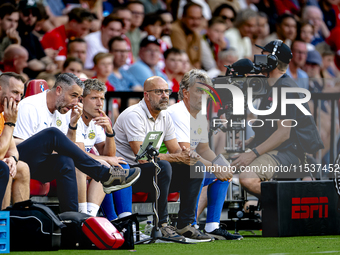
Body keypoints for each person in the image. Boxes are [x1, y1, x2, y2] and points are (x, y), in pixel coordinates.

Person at [13, 73, 140, 212]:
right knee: (52, 134)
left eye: (78, 98)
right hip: (20, 161)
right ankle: (104, 174)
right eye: (73, 96)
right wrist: (47, 143)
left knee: (66, 161)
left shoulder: (62, 111)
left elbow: (67, 147)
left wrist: (73, 124)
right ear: (59, 90)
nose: (76, 102)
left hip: (41, 165)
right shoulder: (31, 105)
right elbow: (15, 145)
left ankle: (73, 219)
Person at [114, 76, 212, 242]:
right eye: (159, 92)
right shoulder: (134, 115)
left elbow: (175, 149)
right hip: (127, 173)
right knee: (163, 166)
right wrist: (177, 156)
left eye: (166, 91)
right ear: (146, 95)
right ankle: (162, 224)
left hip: (151, 173)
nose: (165, 95)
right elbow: (142, 157)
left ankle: (185, 224)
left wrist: (187, 155)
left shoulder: (164, 116)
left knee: (194, 167)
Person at [234, 40, 322, 199]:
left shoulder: (285, 89)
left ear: (273, 61)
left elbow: (283, 133)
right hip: (282, 148)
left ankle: (294, 199)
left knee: (248, 178)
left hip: (290, 151)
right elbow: (273, 127)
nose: (258, 60)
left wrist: (252, 153)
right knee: (223, 166)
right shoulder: (273, 85)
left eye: (263, 57)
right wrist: (252, 140)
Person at [166, 69, 242, 240]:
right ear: (185, 93)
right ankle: (189, 224)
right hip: (169, 170)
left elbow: (203, 149)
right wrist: (215, 167)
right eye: (199, 91)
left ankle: (212, 226)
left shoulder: (199, 115)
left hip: (185, 167)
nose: (205, 95)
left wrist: (220, 164)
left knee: (222, 168)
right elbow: (186, 154)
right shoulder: (177, 112)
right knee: (199, 169)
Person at [74, 78, 131, 217]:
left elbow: (110, 154)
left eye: (102, 98)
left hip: (86, 166)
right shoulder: (74, 118)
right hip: (72, 166)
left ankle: (125, 218)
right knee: (105, 165)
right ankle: (109, 218)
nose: (99, 103)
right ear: (81, 100)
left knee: (122, 166)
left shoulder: (96, 120)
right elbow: (78, 153)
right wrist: (107, 159)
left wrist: (110, 132)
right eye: (94, 98)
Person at [0, 72, 30, 209]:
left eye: (21, 95)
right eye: (15, 92)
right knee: (4, 168)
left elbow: (13, 150)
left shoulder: (3, 115)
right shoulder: (8, 119)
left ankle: (20, 223)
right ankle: (2, 223)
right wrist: (10, 123)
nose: (18, 99)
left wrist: (12, 159)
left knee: (21, 168)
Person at [171, 2, 203, 69]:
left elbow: (197, 62)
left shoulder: (195, 33)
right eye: (192, 18)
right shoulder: (175, 30)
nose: (195, 22)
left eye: (198, 18)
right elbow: (183, 62)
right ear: (183, 17)